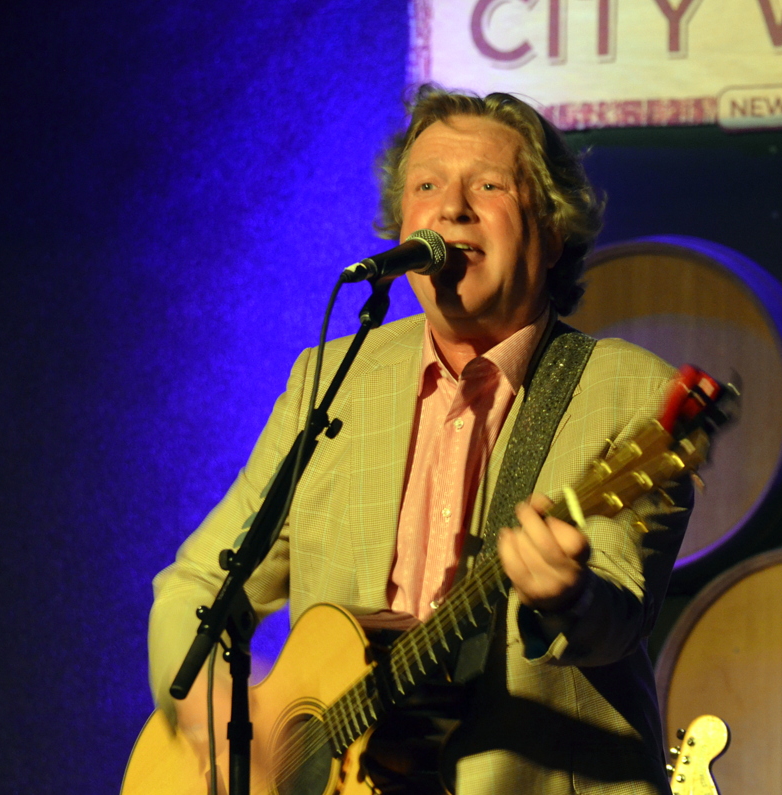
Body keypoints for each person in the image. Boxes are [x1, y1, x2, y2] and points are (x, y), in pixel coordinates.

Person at [147, 85, 693, 795]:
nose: (452, 206)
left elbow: (617, 613)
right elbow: (199, 582)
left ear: (554, 229)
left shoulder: (632, 390)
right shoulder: (333, 378)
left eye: (488, 185)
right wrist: (216, 721)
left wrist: (570, 594)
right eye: (427, 184)